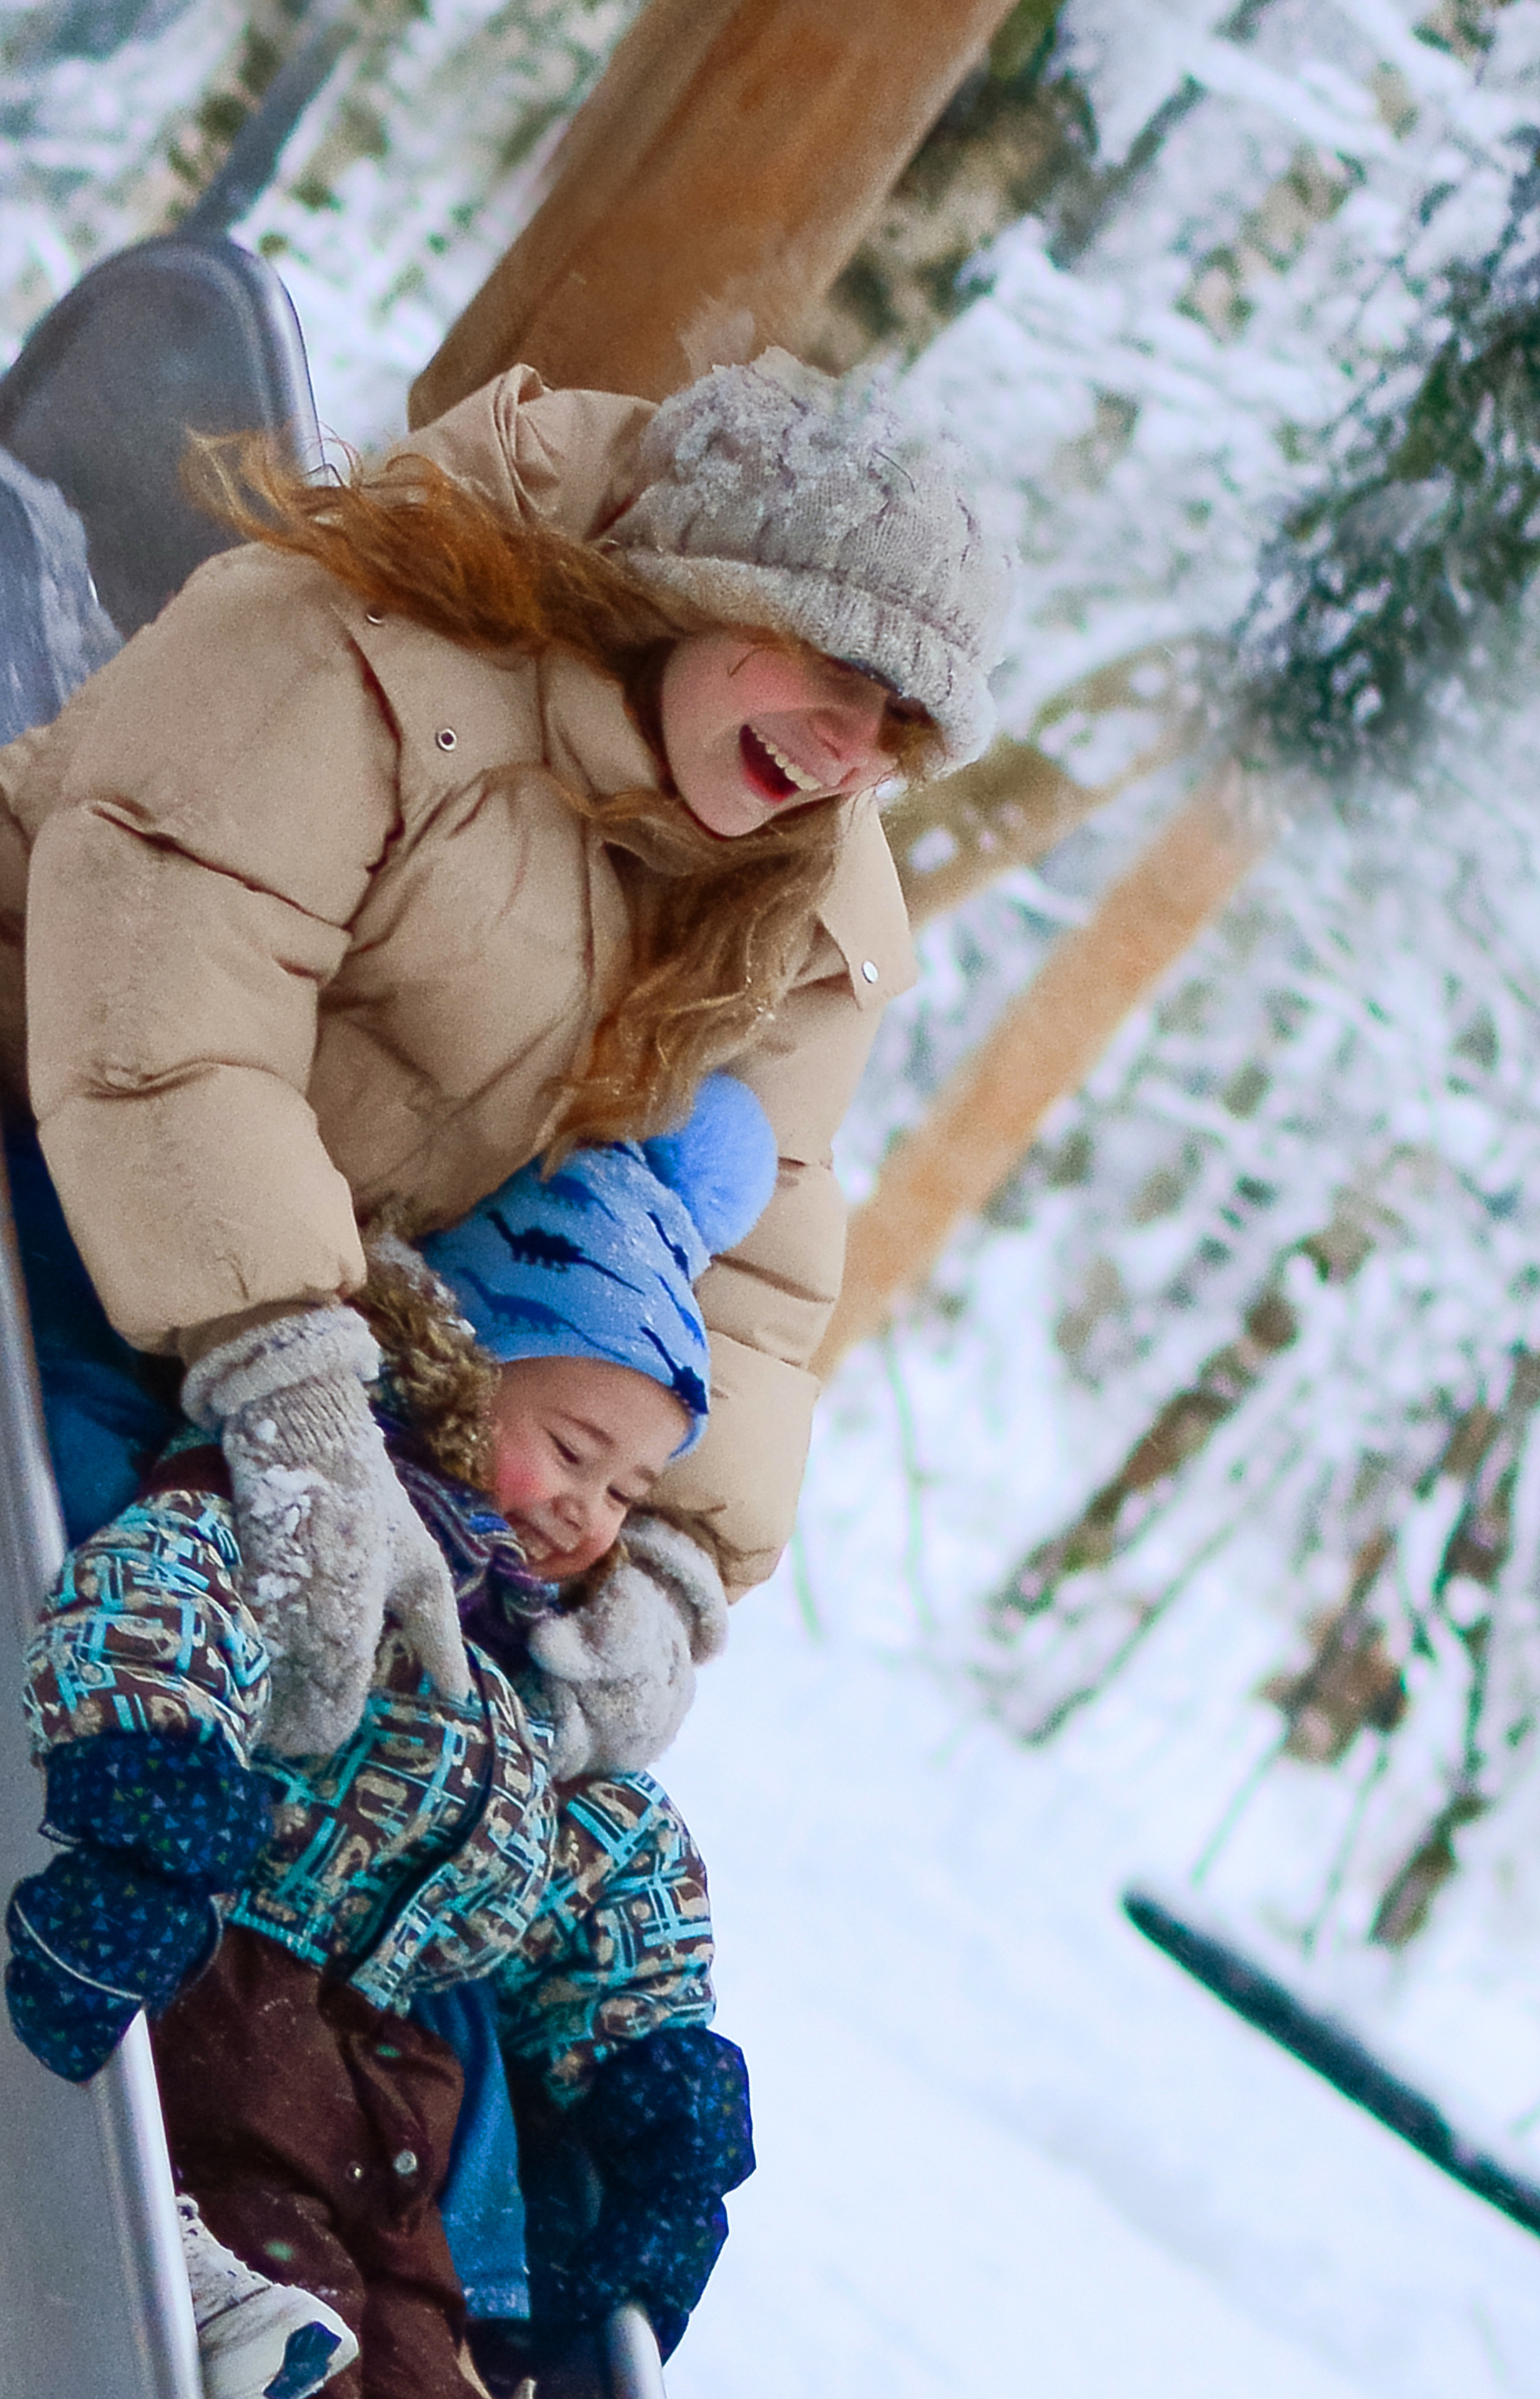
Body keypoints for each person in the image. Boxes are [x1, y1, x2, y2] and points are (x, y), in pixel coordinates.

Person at [0, 347, 1008, 1758]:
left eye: (900, 723)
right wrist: (284, 1371)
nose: (850, 750)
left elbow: (755, 1252)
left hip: (316, 1299)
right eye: (838, 667)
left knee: (428, 1699)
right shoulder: (372, 640)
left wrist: (670, 1555)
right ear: (701, 582)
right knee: (127, 1579)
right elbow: (169, 979)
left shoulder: (798, 899)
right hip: (48, 1149)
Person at [4, 1076, 774, 2399]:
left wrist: (661, 2093)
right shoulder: (318, 1533)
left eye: (626, 1491)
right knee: (290, 2265)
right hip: (221, 1990)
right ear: (458, 1368)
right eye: (571, 1449)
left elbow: (614, 1860)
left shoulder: (530, 1681)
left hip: (394, 2098)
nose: (589, 1512)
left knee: (421, 2351)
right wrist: (153, 1803)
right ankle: (219, 2302)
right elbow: (163, 1589)